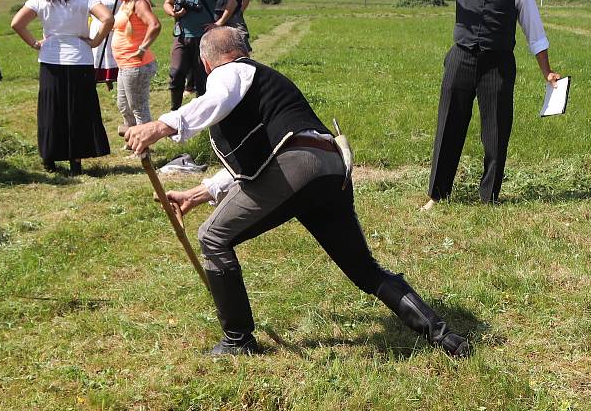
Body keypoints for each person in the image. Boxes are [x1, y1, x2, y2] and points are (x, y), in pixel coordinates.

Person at [124, 27, 470, 357]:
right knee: (364, 269)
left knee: (213, 237)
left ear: (206, 63)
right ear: (246, 50)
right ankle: (444, 336)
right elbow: (256, 161)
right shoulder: (259, 84)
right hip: (329, 170)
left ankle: (237, 339)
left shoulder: (229, 73)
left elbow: (219, 100)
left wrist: (161, 125)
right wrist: (199, 193)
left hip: (296, 168)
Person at [380, 0, 561, 209]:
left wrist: (547, 72)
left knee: (495, 132)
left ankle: (488, 198)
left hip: (498, 65)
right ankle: (437, 195)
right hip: (461, 58)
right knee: (449, 126)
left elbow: (536, 34)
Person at [11, 0, 113, 176]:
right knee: (79, 110)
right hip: (80, 58)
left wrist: (34, 43)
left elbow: (16, 23)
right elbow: (108, 19)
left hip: (51, 59)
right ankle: (76, 160)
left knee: (51, 110)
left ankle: (49, 158)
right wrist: (95, 41)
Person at [163, 0, 237, 110]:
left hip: (203, 38)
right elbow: (167, 3)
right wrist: (174, 14)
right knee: (176, 74)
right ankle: (175, 111)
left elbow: (232, 2)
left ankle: (203, 116)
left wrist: (219, 23)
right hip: (181, 35)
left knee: (202, 79)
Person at [109, 0, 160, 133]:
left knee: (138, 107)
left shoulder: (139, 3)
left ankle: (144, 147)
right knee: (124, 106)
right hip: (124, 65)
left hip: (137, 65)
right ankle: (132, 138)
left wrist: (142, 48)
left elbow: (155, 25)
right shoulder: (125, 3)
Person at [87, 0, 119, 88]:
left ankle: (114, 77)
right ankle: (100, 78)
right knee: (99, 52)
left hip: (116, 27)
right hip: (98, 28)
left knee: (114, 52)